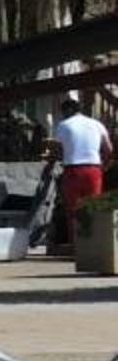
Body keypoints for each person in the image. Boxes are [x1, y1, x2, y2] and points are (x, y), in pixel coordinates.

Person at [45, 90, 109, 251]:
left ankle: (77, 247)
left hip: (73, 171)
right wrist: (102, 165)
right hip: (94, 170)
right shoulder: (97, 124)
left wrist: (50, 163)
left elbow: (57, 151)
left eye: (63, 113)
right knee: (94, 209)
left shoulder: (64, 125)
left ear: (67, 110)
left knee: (73, 210)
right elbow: (108, 149)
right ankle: (94, 245)